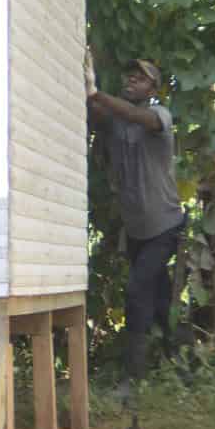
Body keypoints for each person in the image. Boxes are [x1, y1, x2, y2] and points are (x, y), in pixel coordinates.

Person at [86, 53, 186, 400]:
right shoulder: (114, 122)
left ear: (154, 89)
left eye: (141, 79)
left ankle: (131, 380)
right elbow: (95, 113)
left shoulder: (158, 116)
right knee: (157, 298)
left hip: (165, 225)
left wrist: (97, 95)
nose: (132, 81)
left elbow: (133, 115)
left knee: (136, 292)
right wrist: (84, 85)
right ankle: (177, 359)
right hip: (137, 231)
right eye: (130, 76)